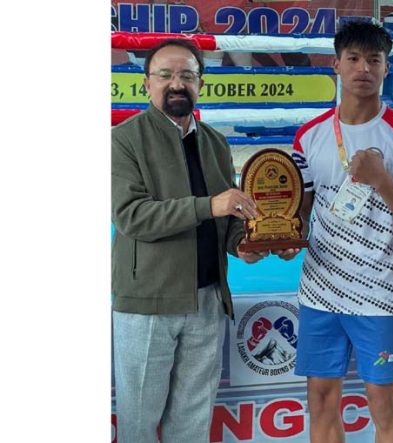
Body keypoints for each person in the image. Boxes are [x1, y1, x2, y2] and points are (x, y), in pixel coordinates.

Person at [111, 38, 295, 443]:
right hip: (148, 306)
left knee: (192, 423)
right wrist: (208, 206)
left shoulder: (214, 141)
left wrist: (246, 244)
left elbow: (226, 217)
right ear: (146, 83)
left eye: (188, 76)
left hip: (208, 299)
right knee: (138, 424)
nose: (177, 83)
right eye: (166, 74)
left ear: (201, 85)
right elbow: (132, 216)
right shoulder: (122, 140)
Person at [290, 20, 393, 443]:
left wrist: (382, 180)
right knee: (319, 397)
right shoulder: (308, 137)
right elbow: (302, 212)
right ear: (336, 64)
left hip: (378, 292)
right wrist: (278, 237)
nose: (363, 68)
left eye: (374, 60)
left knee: (382, 401)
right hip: (319, 290)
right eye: (353, 58)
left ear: (387, 68)